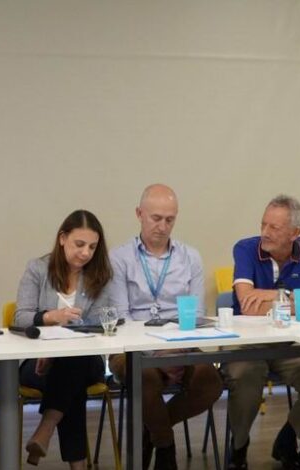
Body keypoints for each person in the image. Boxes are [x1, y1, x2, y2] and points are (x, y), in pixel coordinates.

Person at [108, 184, 223, 470]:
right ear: (139, 214)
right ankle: (165, 448)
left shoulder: (190, 257)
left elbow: (196, 315)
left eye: (170, 219)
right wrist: (156, 352)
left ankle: (153, 431)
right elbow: (121, 318)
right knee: (143, 376)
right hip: (132, 348)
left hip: (180, 345)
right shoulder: (119, 259)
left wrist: (176, 350)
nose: (163, 226)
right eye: (156, 218)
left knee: (210, 381)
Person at [222, 194, 300, 470]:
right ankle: (238, 447)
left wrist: (271, 296)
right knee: (245, 377)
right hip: (248, 345)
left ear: (295, 233)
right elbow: (248, 305)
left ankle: (289, 437)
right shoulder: (245, 248)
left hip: (291, 345)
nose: (265, 232)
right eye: (263, 224)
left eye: (274, 227)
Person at [14, 210, 113, 468]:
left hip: (85, 359)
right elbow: (21, 317)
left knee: (72, 362)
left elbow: (100, 323)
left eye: (92, 247)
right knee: (72, 381)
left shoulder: (100, 275)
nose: (85, 253)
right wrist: (51, 317)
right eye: (79, 244)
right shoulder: (37, 269)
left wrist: (57, 353)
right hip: (37, 361)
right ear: (62, 238)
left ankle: (45, 429)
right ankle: (73, 462)